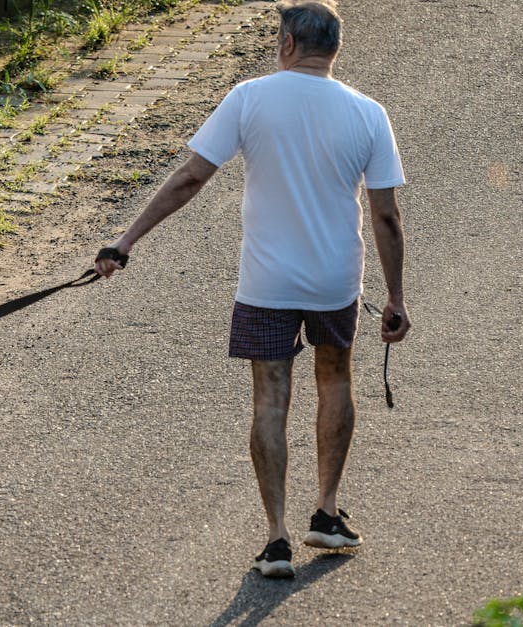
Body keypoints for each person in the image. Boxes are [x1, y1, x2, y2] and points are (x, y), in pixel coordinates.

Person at [94, 0, 411, 578]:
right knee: (336, 379)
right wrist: (395, 297)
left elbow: (191, 177)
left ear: (288, 43)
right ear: (333, 48)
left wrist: (125, 241)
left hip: (267, 281)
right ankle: (326, 511)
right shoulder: (369, 113)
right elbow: (386, 216)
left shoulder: (249, 98)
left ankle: (277, 539)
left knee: (270, 398)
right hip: (334, 279)